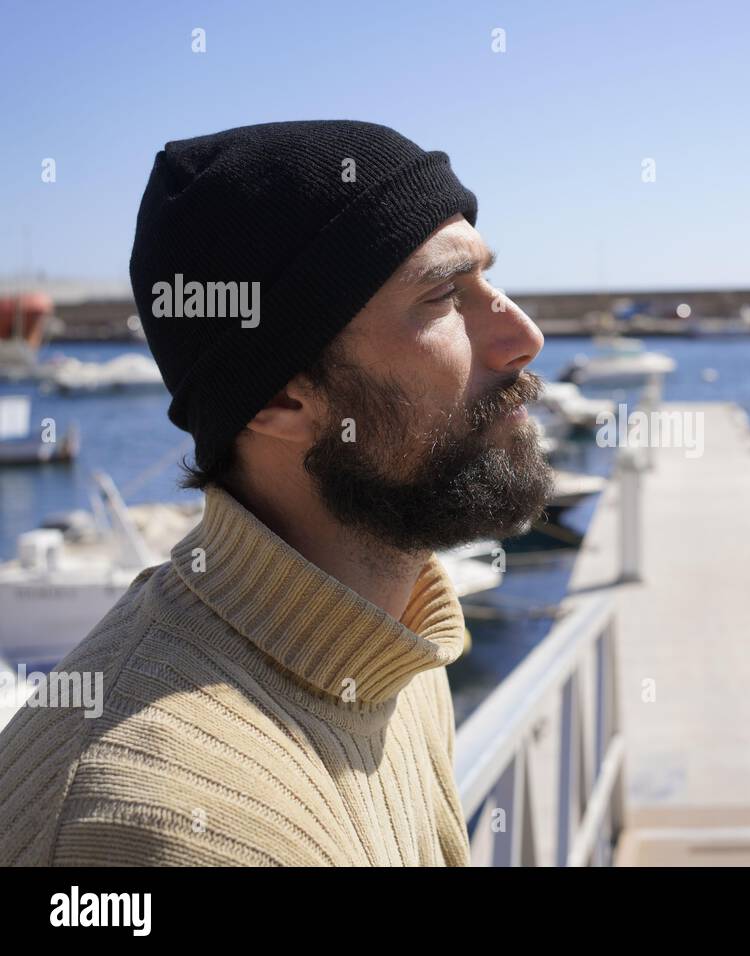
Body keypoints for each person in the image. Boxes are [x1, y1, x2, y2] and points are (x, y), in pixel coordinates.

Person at [0, 120, 552, 865]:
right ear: (282, 401)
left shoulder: (395, 644)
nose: (524, 334)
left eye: (488, 278)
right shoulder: (171, 825)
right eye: (446, 296)